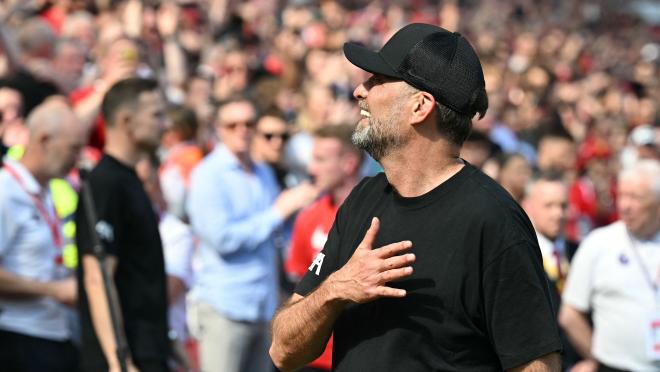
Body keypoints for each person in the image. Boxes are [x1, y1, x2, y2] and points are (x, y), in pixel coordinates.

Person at [270, 23, 562, 372]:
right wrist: (336, 289)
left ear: (420, 106)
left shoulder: (493, 219)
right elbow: (283, 351)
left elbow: (536, 365)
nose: (359, 91)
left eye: (377, 81)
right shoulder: (364, 197)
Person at [186, 97, 319, 372]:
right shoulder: (208, 175)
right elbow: (222, 239)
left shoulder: (262, 173)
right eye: (232, 124)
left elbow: (275, 235)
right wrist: (278, 213)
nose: (242, 130)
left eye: (248, 123)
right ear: (219, 129)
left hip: (264, 304)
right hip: (226, 307)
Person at [75, 78, 170, 372]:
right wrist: (120, 360)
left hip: (148, 349)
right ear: (127, 122)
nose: (164, 124)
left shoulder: (129, 181)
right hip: (125, 357)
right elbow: (98, 277)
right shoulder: (105, 183)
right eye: (156, 115)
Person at [0, 98, 84, 371]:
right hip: (17, 337)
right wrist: (53, 290)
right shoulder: (6, 191)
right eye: (73, 149)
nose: (77, 160)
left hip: (54, 333)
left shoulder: (46, 190)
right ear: (45, 140)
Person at [559, 159, 660, 372]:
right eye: (622, 195)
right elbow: (570, 314)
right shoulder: (599, 243)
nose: (625, 205)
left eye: (637, 198)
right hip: (615, 367)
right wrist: (597, 358)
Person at [284, 123, 364, 372]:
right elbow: (297, 284)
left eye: (320, 160)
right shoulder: (308, 216)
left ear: (348, 163)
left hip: (361, 354)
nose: (311, 169)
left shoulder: (378, 215)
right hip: (313, 359)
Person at [522, 172, 581, 369]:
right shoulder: (521, 256)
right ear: (528, 207)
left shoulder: (581, 252)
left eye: (563, 206)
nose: (558, 214)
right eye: (549, 206)